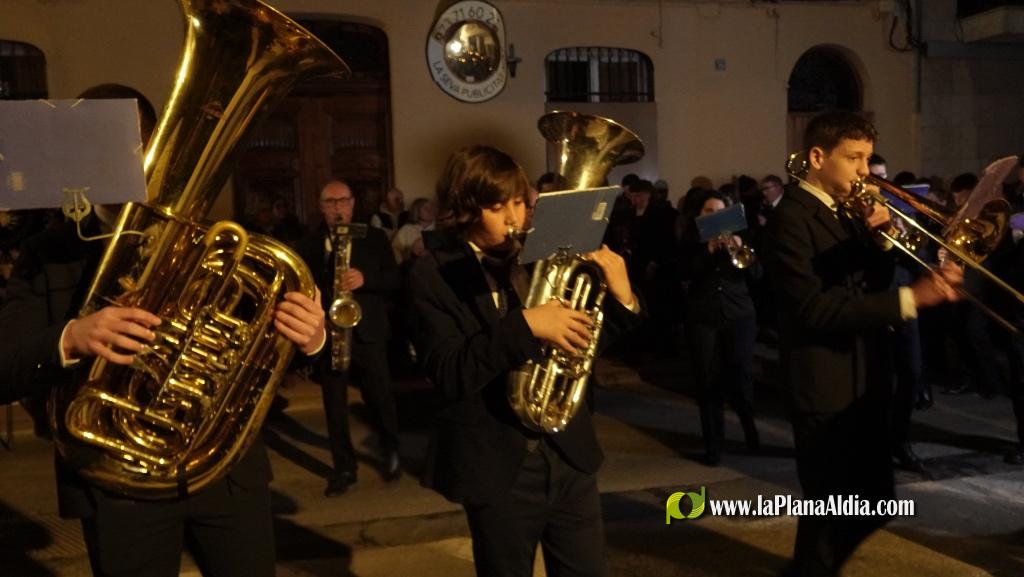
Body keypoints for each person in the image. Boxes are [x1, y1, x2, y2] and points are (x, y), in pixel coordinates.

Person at [0, 83, 327, 577]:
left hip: (226, 474)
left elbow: (269, 349)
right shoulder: (46, 252)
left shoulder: (217, 243)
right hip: (115, 486)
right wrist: (72, 337)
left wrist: (310, 337)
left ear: (157, 147)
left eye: (133, 143)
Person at [408, 145, 642, 577]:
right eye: (498, 207)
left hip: (568, 453)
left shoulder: (542, 255)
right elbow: (449, 372)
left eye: (519, 202)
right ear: (465, 208)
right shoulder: (432, 272)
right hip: (498, 466)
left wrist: (623, 297)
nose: (515, 218)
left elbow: (582, 342)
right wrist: (525, 326)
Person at [763, 111, 961, 577]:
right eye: (853, 158)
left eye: (868, 159)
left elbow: (865, 284)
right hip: (825, 386)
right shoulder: (790, 218)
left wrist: (883, 241)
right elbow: (814, 309)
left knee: (874, 502)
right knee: (829, 513)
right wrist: (912, 298)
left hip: (866, 376)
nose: (864, 171)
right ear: (817, 157)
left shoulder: (843, 210)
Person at [298, 180, 401, 497]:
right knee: (334, 404)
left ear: (353, 204)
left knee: (381, 395)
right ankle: (344, 467)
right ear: (321, 206)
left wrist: (365, 279)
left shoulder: (373, 238)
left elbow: (395, 279)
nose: (337, 208)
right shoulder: (310, 245)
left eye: (342, 201)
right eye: (330, 202)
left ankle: (391, 451)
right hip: (330, 333)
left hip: (367, 330)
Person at [680, 189, 761, 466]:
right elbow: (683, 273)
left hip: (739, 315)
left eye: (719, 212)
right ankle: (713, 445)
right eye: (708, 212)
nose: (714, 217)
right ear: (700, 215)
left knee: (740, 377)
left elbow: (757, 275)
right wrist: (707, 252)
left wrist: (737, 246)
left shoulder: (744, 237)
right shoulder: (690, 240)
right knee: (707, 381)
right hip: (703, 317)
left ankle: (749, 427)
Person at [391, 197, 435, 265]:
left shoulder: (440, 228)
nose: (430, 210)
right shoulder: (407, 229)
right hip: (412, 269)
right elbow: (395, 249)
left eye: (431, 208)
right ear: (417, 211)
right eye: (425, 208)